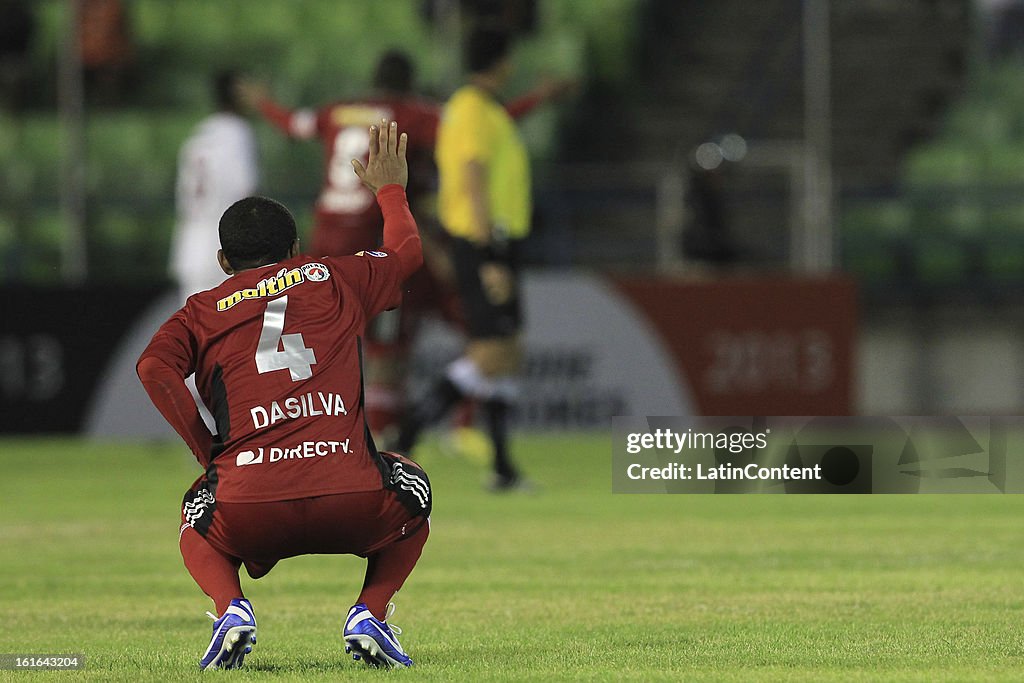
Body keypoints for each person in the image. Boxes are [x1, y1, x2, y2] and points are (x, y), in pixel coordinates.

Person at [137, 120, 430, 670]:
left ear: (224, 263)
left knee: (194, 509)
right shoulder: (336, 277)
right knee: (412, 485)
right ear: (296, 248)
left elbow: (153, 368)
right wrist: (390, 189)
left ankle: (231, 610)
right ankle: (370, 613)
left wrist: (211, 455)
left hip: (249, 505)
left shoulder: (200, 311)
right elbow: (407, 253)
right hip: (353, 497)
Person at [242, 51, 569, 440]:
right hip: (371, 239)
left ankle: (292, 432)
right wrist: (537, 98)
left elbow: (291, 123)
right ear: (409, 84)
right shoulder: (411, 115)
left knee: (316, 339)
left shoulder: (339, 111)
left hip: (323, 239)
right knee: (391, 347)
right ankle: (399, 435)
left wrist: (260, 101)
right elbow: (481, 130)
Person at [394, 27, 534, 491]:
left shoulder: (473, 109)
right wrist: (489, 253)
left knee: (507, 351)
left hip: (493, 240)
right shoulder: (473, 110)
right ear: (501, 63)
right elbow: (473, 178)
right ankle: (407, 434)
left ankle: (502, 468)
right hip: (483, 241)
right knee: (491, 352)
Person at [171, 70, 259, 301]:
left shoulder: (198, 135)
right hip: (226, 248)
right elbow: (246, 192)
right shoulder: (237, 132)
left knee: (195, 329)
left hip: (191, 245)